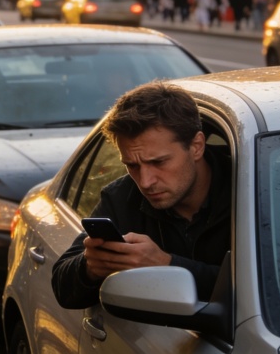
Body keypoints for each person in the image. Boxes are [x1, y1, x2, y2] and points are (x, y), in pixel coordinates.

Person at [51, 81, 231, 309]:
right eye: (132, 165)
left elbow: (272, 291)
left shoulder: (253, 191)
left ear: (196, 146)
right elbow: (62, 289)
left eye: (158, 162)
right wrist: (91, 267)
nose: (145, 182)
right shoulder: (122, 197)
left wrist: (167, 266)